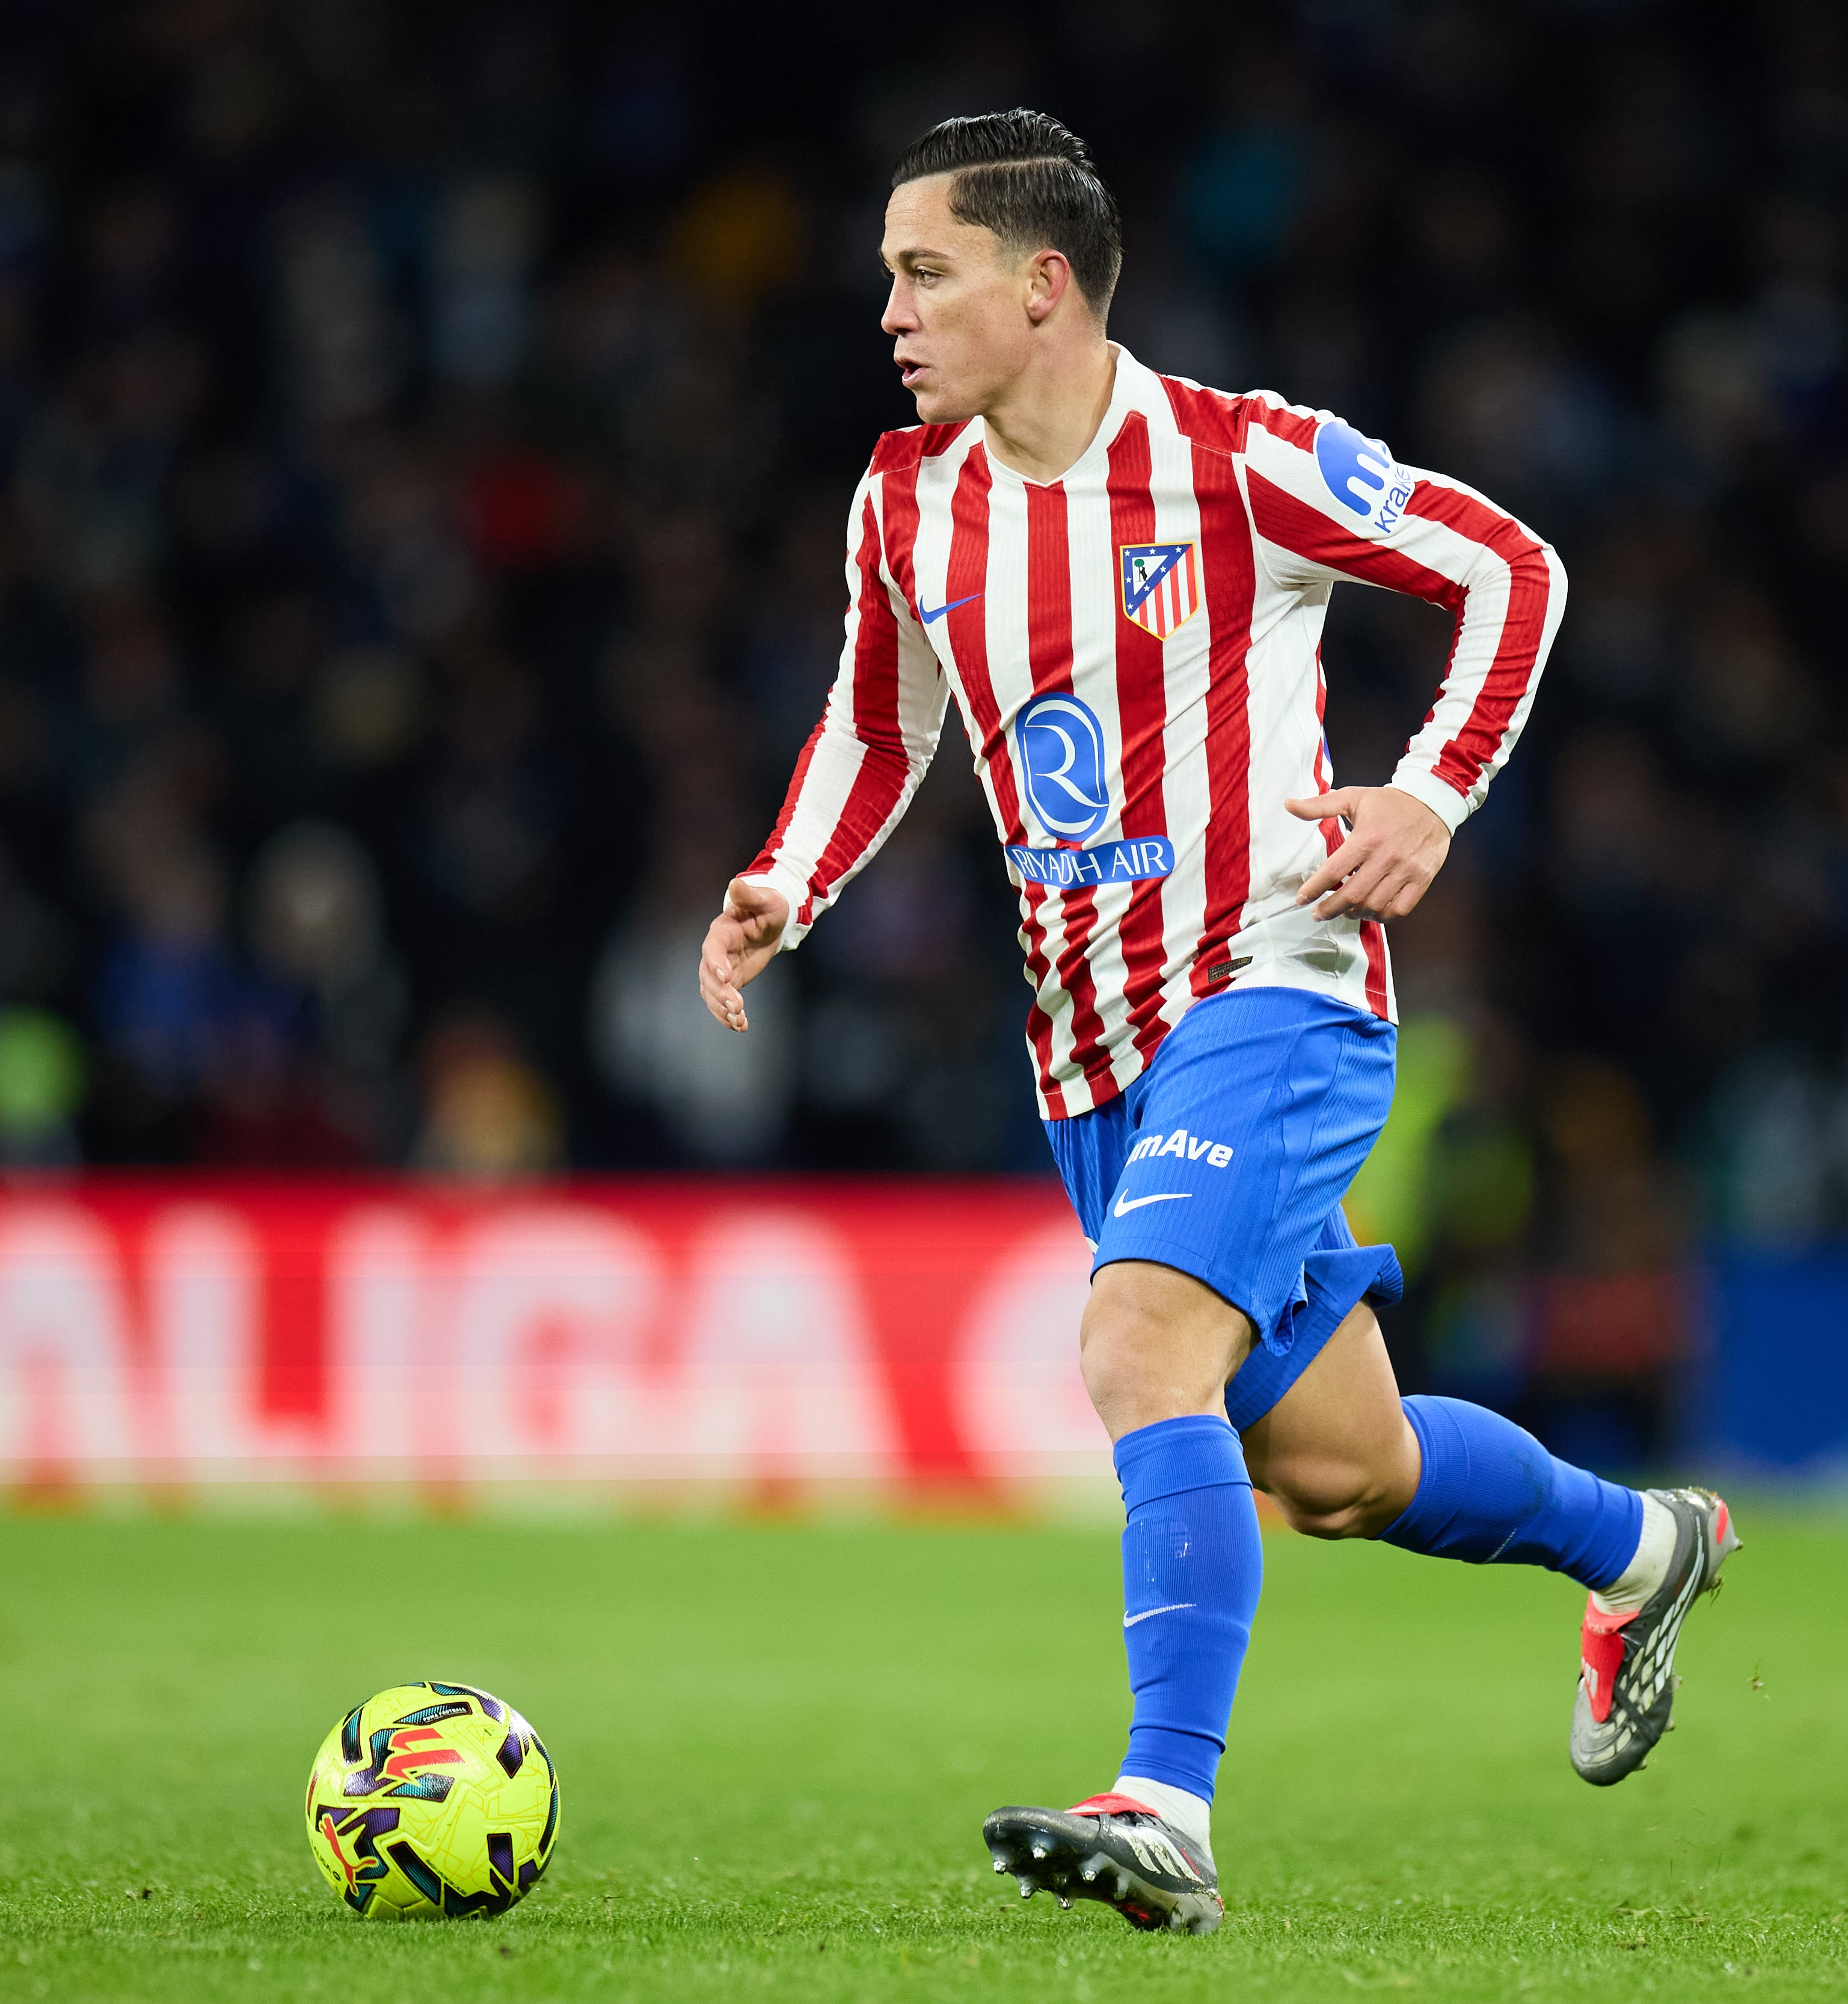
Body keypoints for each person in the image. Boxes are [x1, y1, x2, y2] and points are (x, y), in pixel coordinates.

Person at [696, 111, 1737, 1937]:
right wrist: (793, 880)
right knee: (1343, 1467)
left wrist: (1431, 796)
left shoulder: (1238, 465)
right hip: (1091, 1055)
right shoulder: (904, 499)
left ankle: (1165, 1808)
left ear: (1042, 287)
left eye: (921, 271)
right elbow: (883, 728)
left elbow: (1516, 569)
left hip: (1275, 990)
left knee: (1133, 1354)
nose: (889, 311)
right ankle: (1648, 1548)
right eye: (888, 275)